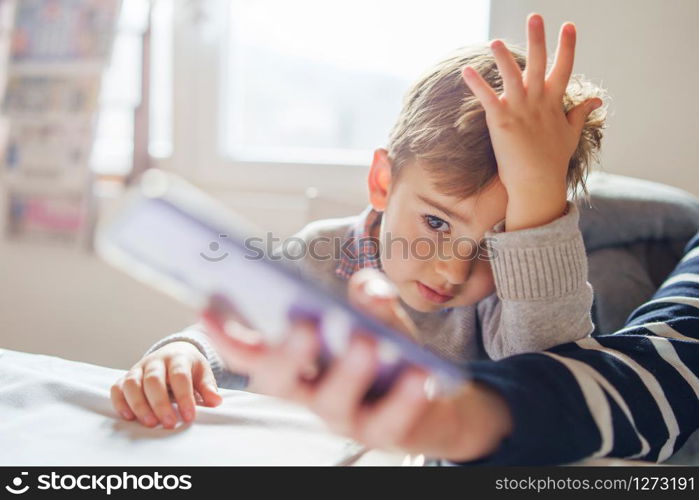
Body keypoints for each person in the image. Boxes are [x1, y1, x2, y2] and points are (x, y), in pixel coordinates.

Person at [111, 13, 608, 438]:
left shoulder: (514, 296)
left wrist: (538, 202)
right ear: (382, 181)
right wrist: (184, 351)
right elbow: (235, 329)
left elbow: (558, 383)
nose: (454, 271)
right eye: (436, 222)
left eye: (498, 241)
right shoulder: (318, 254)